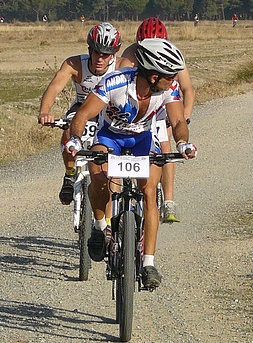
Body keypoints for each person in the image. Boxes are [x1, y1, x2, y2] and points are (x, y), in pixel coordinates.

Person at [65, 38, 197, 289]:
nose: (174, 80)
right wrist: (74, 138)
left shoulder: (169, 89)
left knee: (149, 191)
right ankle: (100, 226)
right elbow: (83, 114)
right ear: (154, 76)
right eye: (170, 76)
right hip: (110, 136)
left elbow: (178, 121)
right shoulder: (115, 83)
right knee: (99, 176)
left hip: (142, 139)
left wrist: (182, 144)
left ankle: (148, 263)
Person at [38, 22, 123, 205]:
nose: (100, 59)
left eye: (105, 55)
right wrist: (45, 112)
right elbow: (54, 88)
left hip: (109, 112)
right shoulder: (75, 64)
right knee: (69, 129)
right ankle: (70, 174)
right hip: (81, 109)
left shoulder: (121, 66)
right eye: (96, 52)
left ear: (113, 54)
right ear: (89, 49)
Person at [121, 17, 195, 222]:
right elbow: (121, 81)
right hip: (140, 106)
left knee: (165, 147)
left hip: (164, 105)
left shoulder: (173, 55)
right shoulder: (130, 53)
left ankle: (168, 201)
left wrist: (184, 116)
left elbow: (187, 89)